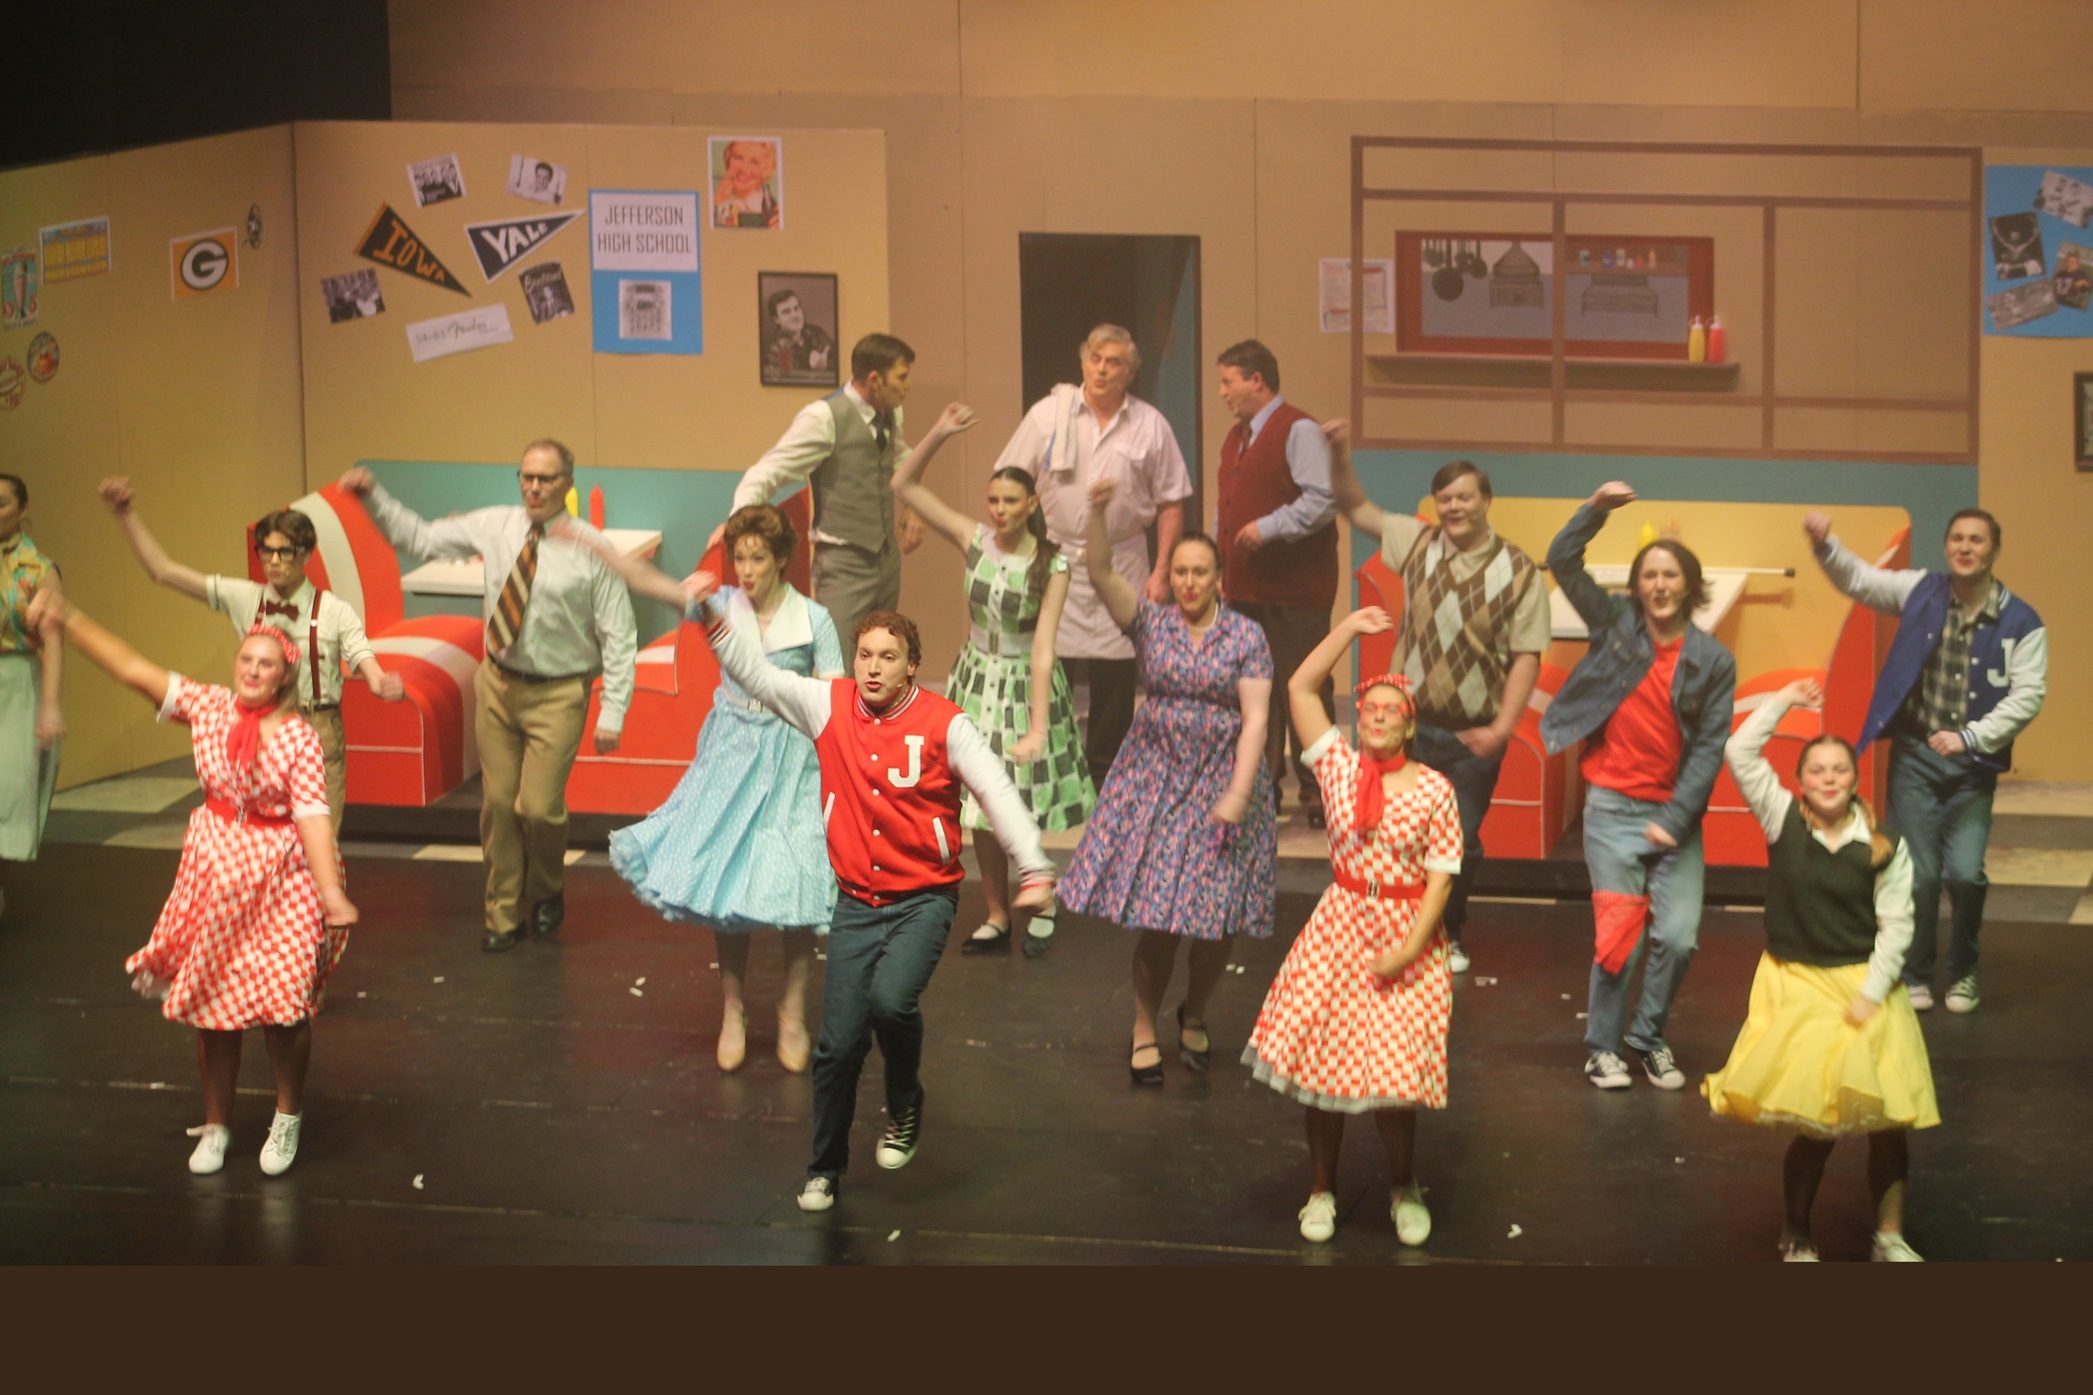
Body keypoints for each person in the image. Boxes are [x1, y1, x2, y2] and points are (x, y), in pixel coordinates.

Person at [685, 585, 1055, 1212]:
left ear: (912, 664)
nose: (873, 668)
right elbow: (761, 676)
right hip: (857, 901)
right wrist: (717, 625)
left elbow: (994, 790)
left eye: (888, 657)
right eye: (864, 655)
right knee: (837, 1046)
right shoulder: (828, 705)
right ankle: (824, 1168)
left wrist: (1034, 866)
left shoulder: (944, 722)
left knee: (891, 1000)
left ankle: (905, 1101)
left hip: (924, 898)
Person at [31, 589, 356, 1178]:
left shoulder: (298, 738)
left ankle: (287, 1115)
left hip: (283, 878)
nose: (253, 671)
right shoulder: (209, 707)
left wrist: (332, 894)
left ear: (285, 678)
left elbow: (313, 816)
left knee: (284, 1011)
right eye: (246, 660)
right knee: (213, 1005)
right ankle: (218, 1123)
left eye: (266, 665)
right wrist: (70, 619)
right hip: (217, 872)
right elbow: (133, 668)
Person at [573, 504, 841, 1074]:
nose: (746, 569)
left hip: (794, 754)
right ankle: (733, 1011)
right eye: (739, 557)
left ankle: (792, 1011)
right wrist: (598, 546)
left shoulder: (813, 618)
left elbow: (833, 692)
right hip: (732, 748)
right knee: (729, 881)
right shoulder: (721, 605)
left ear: (783, 561)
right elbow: (650, 580)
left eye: (758, 558)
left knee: (798, 879)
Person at [338, 442, 636, 952]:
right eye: (526, 478)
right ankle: (502, 914)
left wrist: (614, 710)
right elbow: (421, 537)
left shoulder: (593, 547)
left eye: (545, 479)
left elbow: (619, 632)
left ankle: (545, 889)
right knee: (498, 804)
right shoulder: (496, 525)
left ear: (568, 482)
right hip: (498, 682)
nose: (534, 488)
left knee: (538, 809)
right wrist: (376, 497)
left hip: (559, 690)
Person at [1244, 611, 1461, 1247]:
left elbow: (1442, 877)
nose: (1378, 714)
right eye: (1370, 705)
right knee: (1321, 1066)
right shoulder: (1339, 768)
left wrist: (1410, 950)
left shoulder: (1432, 790)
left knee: (1396, 1078)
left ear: (1410, 724)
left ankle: (1402, 1185)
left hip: (1403, 928)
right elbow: (1300, 688)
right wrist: (1347, 629)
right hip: (1341, 926)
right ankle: (1321, 1188)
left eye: (1392, 708)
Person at [1705, 678, 1936, 1262]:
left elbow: (1897, 926)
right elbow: (1738, 751)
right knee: (1817, 1121)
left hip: (1864, 980)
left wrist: (1873, 992)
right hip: (1799, 981)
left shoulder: (1883, 846)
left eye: (1839, 770)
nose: (1829, 779)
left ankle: (1889, 1236)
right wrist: (1783, 700)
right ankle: (1797, 1231)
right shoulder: (1782, 819)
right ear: (1801, 781)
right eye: (1817, 770)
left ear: (1854, 779)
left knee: (1888, 1119)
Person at [1058, 478, 1277, 1086]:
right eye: (1180, 571)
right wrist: (1097, 512)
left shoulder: (1245, 637)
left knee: (1215, 920)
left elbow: (1256, 717)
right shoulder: (1150, 624)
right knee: (1160, 917)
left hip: (1221, 783)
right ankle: (1144, 1025)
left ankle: (1197, 1010)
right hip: (1156, 781)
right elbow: (1099, 569)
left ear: (1218, 579)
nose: (1188, 582)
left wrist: (1238, 791)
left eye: (1199, 572)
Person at [1327, 422, 1548, 974]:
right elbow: (1354, 505)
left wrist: (1501, 729)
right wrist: (1339, 452)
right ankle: (1389, 926)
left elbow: (1528, 657)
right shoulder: (1417, 541)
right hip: (1409, 726)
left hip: (1473, 734)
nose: (1454, 507)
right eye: (1445, 498)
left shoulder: (1519, 570)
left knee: (1461, 844)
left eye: (1465, 497)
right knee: (1387, 831)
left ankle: (1448, 931)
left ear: (1486, 501)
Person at [1805, 507, 2044, 1014]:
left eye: (1976, 540)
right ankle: (1915, 971)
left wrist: (1971, 738)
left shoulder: (2022, 622)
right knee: (1918, 874)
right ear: (1946, 546)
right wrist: (1826, 546)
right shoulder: (1922, 591)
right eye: (1956, 537)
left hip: (1973, 769)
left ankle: (1963, 970)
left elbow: (2028, 695)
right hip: (1915, 757)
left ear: (1993, 551)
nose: (1965, 547)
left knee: (1964, 874)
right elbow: (1862, 581)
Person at [1542, 483, 1735, 1091]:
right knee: (1617, 939)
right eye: (1649, 574)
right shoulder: (1617, 628)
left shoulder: (1713, 660)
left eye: (1669, 575)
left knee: (1677, 938)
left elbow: (1708, 749)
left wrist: (1676, 820)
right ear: (1637, 584)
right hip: (1612, 812)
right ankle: (1603, 1048)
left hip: (1674, 817)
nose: (1658, 585)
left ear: (1688, 585)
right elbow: (1562, 561)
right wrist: (1595, 510)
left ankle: (1646, 1037)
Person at [891, 403, 1094, 957]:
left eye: (1011, 501)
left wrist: (1034, 725)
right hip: (975, 678)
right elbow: (904, 483)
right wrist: (938, 432)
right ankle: (999, 912)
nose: (1000, 510)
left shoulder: (1051, 563)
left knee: (1019, 798)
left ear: (1031, 505)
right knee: (975, 802)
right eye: (994, 500)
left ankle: (1043, 893)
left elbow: (1045, 649)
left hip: (1024, 682)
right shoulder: (975, 538)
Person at [97, 478, 405, 836]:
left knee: (318, 847)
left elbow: (366, 662)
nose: (273, 561)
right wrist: (125, 514)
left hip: (316, 728)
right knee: (261, 839)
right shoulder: (245, 597)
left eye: (284, 552)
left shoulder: (334, 610)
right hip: (260, 728)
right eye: (266, 551)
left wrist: (383, 683)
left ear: (305, 554)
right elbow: (164, 571)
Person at [995, 325, 1192, 782]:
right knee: (1051, 664)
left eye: (1114, 363)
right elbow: (1008, 479)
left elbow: (1171, 503)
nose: (1102, 370)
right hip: (1054, 556)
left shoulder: (1150, 424)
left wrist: (1163, 570)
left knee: (1115, 675)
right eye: (1096, 359)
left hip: (1122, 562)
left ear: (1130, 373)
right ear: (1083, 362)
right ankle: (1052, 767)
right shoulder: (1048, 415)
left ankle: (1107, 772)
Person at [727, 333, 925, 646]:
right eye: (901, 378)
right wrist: (739, 526)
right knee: (840, 659)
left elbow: (901, 458)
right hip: (843, 561)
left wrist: (914, 506)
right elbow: (769, 471)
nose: (908, 386)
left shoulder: (891, 410)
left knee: (884, 654)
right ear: (875, 379)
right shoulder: (824, 418)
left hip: (886, 557)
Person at [1213, 339, 1338, 827]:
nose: (1223, 392)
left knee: (1303, 689)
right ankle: (1260, 784)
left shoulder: (1299, 430)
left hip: (1295, 591)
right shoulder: (1235, 437)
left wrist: (1268, 527)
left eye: (1228, 381)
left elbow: (1322, 499)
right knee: (1253, 691)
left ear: (1256, 380)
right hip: (1247, 591)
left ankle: (1318, 792)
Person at [1, 473, 64, 921]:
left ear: (23, 508)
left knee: (10, 786)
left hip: (16, 681)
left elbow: (54, 641)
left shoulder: (39, 567)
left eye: (2, 503)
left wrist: (50, 703)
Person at [762, 288, 836, 384]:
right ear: (776, 319)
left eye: (796, 308)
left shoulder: (817, 333)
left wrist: (827, 366)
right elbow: (787, 380)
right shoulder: (774, 348)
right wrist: (815, 367)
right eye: (786, 312)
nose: (795, 315)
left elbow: (840, 362)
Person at [713, 138, 782, 229]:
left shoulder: (772, 209)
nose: (744, 169)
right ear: (728, 158)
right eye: (738, 158)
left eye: (754, 162)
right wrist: (717, 203)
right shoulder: (714, 200)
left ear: (766, 169)